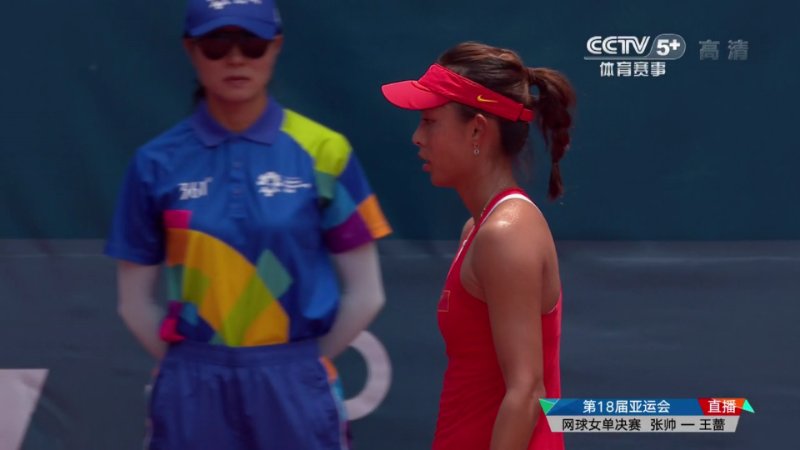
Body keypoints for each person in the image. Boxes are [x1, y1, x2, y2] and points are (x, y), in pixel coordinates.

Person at [105, 1, 392, 449]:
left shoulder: (326, 151)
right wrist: (190, 363)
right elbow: (133, 304)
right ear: (191, 50)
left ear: (275, 47)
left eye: (252, 44)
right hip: (192, 381)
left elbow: (367, 293)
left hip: (295, 377)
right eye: (217, 45)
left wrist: (299, 363)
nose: (236, 59)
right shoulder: (155, 163)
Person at [381, 41, 575, 450]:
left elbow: (527, 392)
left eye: (430, 122)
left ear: (476, 130)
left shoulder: (506, 233)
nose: (417, 137)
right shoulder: (480, 229)